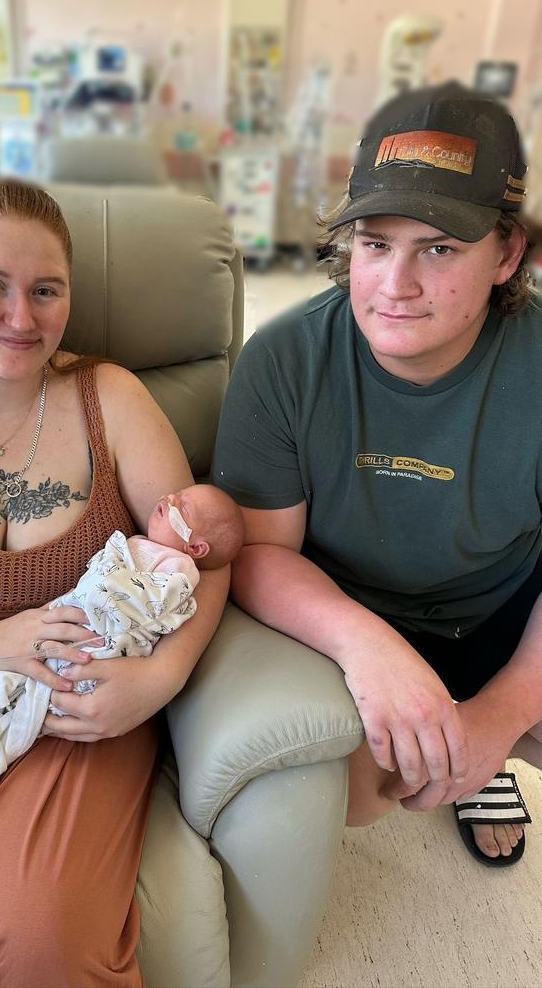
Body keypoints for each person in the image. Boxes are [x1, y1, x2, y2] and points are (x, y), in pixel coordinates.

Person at [0, 179, 230, 985]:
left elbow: (206, 557)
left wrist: (159, 677)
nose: (21, 316)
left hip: (73, 713)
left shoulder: (111, 396)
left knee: (44, 938)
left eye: (46, 290)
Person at [213, 81, 542, 868]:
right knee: (359, 795)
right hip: (347, 608)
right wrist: (369, 649)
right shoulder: (285, 357)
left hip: (499, 609)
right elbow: (260, 554)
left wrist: (498, 715)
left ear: (506, 254)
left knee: (479, 740)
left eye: (439, 248)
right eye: (375, 244)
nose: (394, 285)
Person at [0, 484, 244, 814]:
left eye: (181, 504)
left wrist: (163, 674)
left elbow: (204, 571)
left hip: (89, 695)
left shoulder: (175, 563)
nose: (170, 498)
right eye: (176, 498)